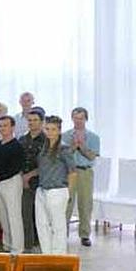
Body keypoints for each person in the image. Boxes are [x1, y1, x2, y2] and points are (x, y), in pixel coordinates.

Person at [31, 115, 78, 254]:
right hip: (42, 190)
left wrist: (69, 193)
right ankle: (46, 253)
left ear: (59, 130)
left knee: (58, 226)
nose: (49, 132)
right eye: (47, 129)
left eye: (53, 129)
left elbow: (73, 172)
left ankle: (59, 255)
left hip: (58, 190)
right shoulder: (43, 148)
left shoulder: (64, 149)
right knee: (42, 224)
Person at [63, 107, 100, 247]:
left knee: (85, 203)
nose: (78, 121)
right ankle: (62, 232)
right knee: (67, 202)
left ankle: (84, 234)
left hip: (85, 171)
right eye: (75, 118)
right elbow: (63, 155)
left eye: (81, 118)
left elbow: (92, 156)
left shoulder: (93, 137)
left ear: (86, 119)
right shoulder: (65, 135)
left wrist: (82, 147)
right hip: (70, 171)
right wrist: (73, 146)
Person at [0, 116, 24, 254]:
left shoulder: (17, 146)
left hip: (11, 182)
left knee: (13, 215)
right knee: (3, 214)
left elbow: (15, 167)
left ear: (12, 127)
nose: (3, 128)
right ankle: (7, 244)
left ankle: (17, 247)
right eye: (1, 126)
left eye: (6, 125)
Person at [19, 108, 46, 251]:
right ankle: (27, 245)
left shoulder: (47, 140)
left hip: (41, 182)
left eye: (35, 120)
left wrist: (29, 176)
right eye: (30, 120)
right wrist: (22, 177)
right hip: (24, 183)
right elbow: (17, 160)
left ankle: (42, 244)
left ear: (42, 122)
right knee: (26, 214)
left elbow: (46, 164)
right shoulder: (22, 139)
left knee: (41, 217)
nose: (32, 123)